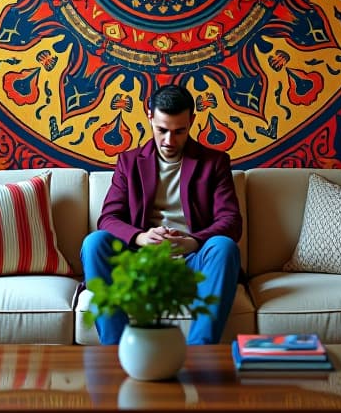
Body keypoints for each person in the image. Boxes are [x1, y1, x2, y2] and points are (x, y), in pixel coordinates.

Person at [81, 83, 242, 345]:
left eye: (179, 131)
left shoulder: (215, 162)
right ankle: (117, 348)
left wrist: (193, 241)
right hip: (140, 261)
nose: (169, 141)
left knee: (224, 247)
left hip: (193, 260)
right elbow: (108, 219)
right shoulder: (129, 162)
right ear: (150, 117)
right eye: (162, 130)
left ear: (192, 120)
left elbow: (231, 222)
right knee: (94, 242)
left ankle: (201, 350)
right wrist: (141, 237)